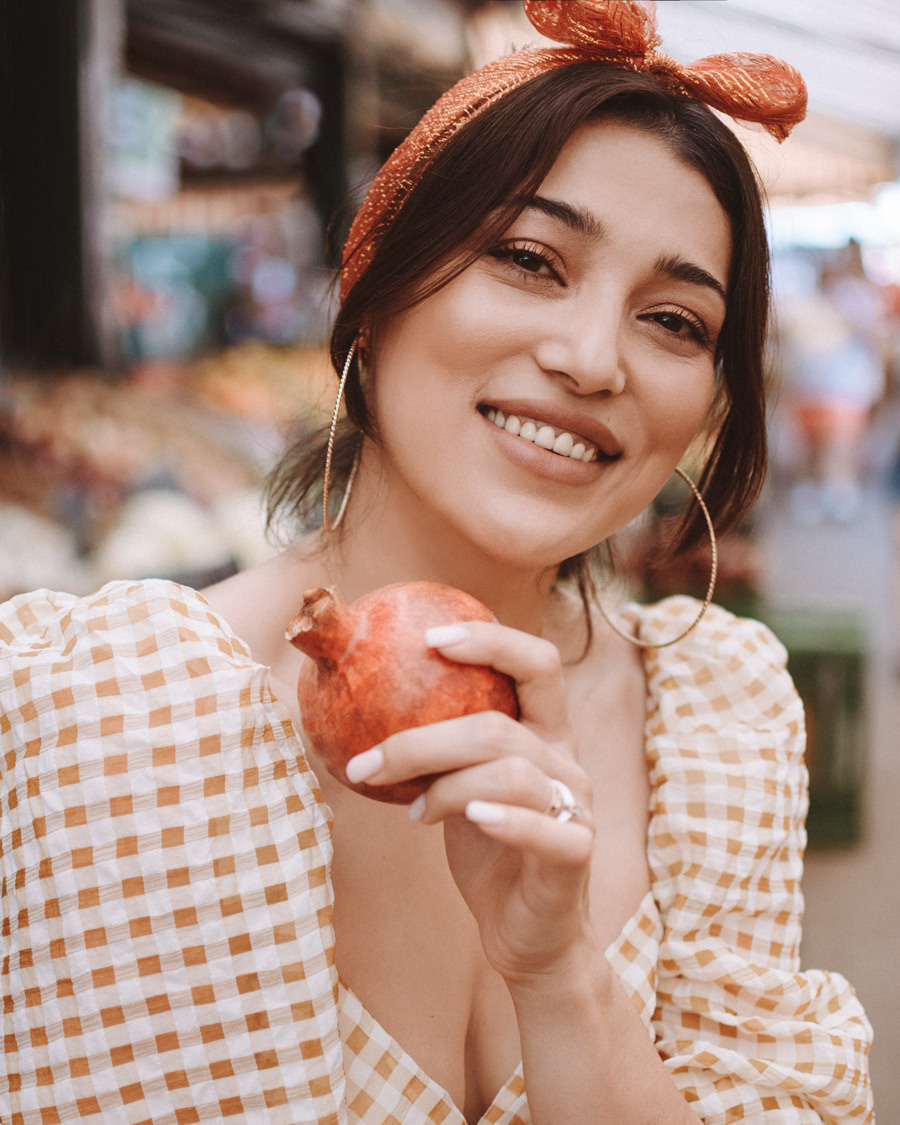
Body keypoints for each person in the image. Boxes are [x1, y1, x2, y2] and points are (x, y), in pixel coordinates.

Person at [0, 2, 874, 1122]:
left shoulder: (722, 728)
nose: (591, 357)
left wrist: (558, 976)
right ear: (375, 289)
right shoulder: (88, 718)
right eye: (528, 258)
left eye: (674, 321)